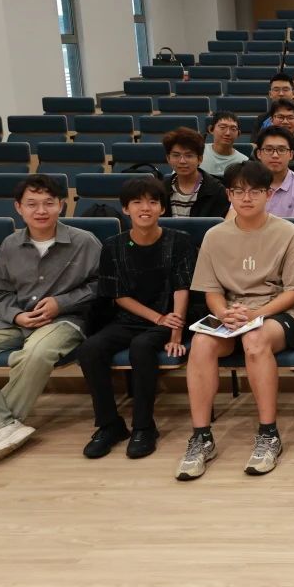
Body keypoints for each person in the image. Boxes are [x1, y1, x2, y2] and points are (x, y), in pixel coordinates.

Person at [176, 161, 294, 481]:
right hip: (232, 312)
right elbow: (212, 291)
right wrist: (223, 312)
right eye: (238, 191)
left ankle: (268, 434)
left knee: (255, 340)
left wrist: (258, 314)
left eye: (255, 191)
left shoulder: (288, 232)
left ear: (268, 194)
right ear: (228, 195)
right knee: (201, 342)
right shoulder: (215, 236)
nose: (246, 198)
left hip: (278, 311)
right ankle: (201, 437)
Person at [0, 175, 99, 465]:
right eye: (32, 204)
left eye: (48, 203)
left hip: (64, 320)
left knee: (36, 353)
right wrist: (17, 315)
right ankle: (2, 427)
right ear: (18, 207)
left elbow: (101, 285)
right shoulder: (9, 245)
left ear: (61, 205)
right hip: (15, 320)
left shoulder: (84, 242)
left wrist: (61, 303)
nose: (41, 210)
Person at [73, 176, 196, 460]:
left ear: (162, 208)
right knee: (90, 349)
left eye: (153, 202)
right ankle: (109, 425)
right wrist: (157, 318)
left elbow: (182, 288)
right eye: (137, 202)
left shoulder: (179, 241)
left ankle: (144, 427)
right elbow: (118, 296)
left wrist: (176, 333)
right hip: (132, 318)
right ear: (126, 209)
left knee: (142, 347)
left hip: (172, 318)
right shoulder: (113, 246)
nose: (145, 208)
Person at [161, 127, 230, 218]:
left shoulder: (217, 191)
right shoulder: (161, 190)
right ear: (168, 158)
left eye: (189, 155)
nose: (182, 161)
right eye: (176, 155)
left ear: (200, 159)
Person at [254, 127, 294, 218]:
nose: (275, 155)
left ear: (291, 155)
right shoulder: (246, 184)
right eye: (268, 149)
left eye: (282, 150)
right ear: (259, 154)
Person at [203, 111, 247, 177]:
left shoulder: (243, 162)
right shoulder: (198, 152)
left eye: (233, 129)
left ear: (238, 134)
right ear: (211, 129)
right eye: (222, 127)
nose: (227, 133)